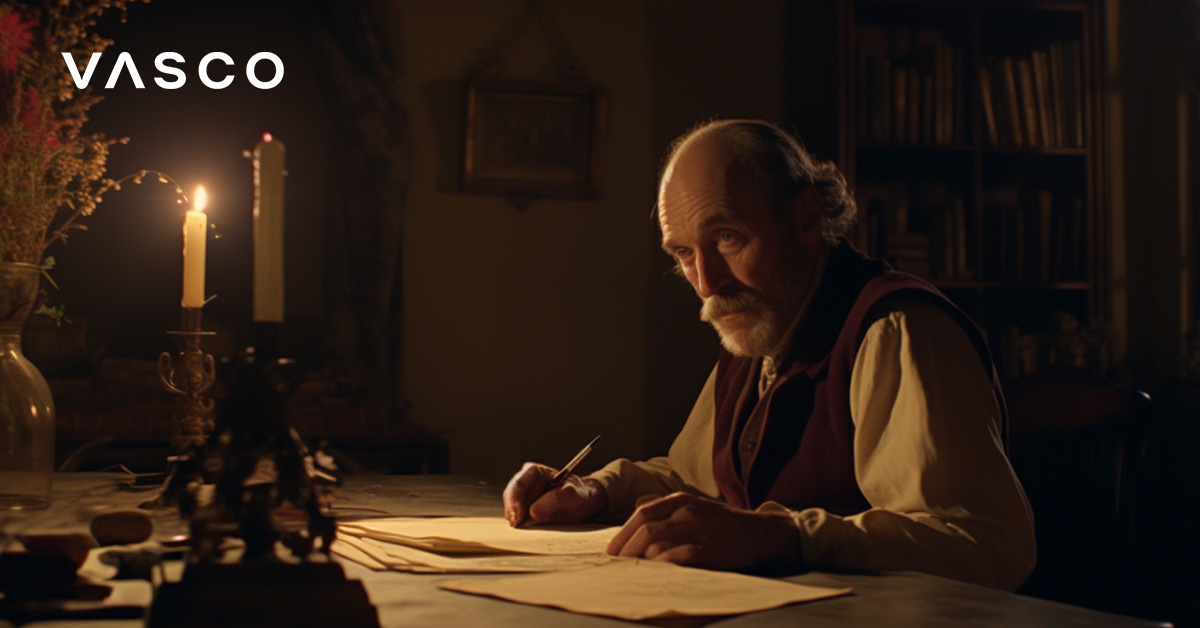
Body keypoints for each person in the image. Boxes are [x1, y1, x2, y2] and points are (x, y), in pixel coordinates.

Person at [503, 119, 1036, 591]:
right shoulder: (760, 324)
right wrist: (593, 489)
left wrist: (783, 534)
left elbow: (983, 543)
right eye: (685, 254)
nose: (707, 283)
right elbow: (692, 479)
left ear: (805, 217)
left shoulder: (896, 330)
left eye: (729, 238)